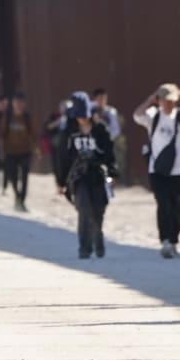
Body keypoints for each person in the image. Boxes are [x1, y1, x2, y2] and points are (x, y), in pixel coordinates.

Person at [134, 83, 180, 258]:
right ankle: (165, 241)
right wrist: (150, 99)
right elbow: (137, 115)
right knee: (163, 205)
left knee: (176, 206)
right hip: (157, 170)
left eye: (171, 100)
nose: (168, 104)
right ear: (159, 101)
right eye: (164, 100)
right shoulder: (153, 116)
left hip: (179, 170)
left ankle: (174, 241)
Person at [56, 92, 117, 258]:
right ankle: (84, 248)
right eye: (79, 116)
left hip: (98, 176)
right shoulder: (68, 132)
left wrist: (112, 174)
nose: (82, 119)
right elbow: (62, 157)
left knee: (98, 211)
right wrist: (60, 182)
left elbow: (110, 153)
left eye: (85, 116)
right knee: (84, 210)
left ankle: (98, 238)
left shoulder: (100, 130)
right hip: (78, 178)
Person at [1, 92, 38, 212]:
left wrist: (37, 149)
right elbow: (1, 133)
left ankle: (22, 200)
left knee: (25, 176)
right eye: (16, 103)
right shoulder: (7, 116)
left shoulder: (27, 117)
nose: (18, 105)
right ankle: (17, 196)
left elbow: (33, 133)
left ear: (24, 104)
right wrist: (2, 149)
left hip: (25, 151)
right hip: (10, 152)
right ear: (13, 104)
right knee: (13, 176)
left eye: (21, 103)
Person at [92, 88, 125, 180]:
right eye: (99, 99)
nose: (101, 101)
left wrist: (106, 138)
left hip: (108, 143)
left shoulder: (110, 112)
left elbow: (116, 129)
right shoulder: (91, 112)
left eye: (103, 98)